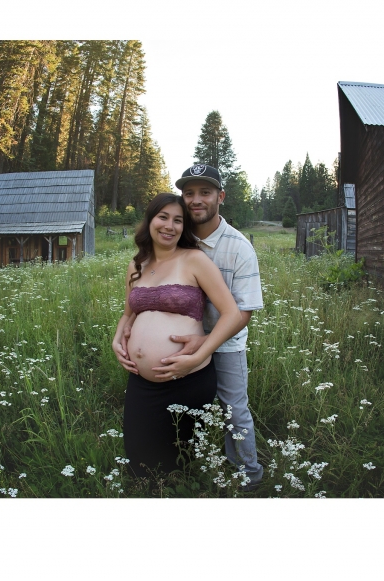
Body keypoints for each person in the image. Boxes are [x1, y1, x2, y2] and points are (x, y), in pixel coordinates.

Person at [115, 165, 264, 489]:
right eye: (190, 193)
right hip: (173, 358)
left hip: (223, 343)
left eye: (205, 192)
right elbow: (132, 306)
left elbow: (241, 312)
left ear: (220, 197)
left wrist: (202, 349)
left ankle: (247, 476)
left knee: (233, 410)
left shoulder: (237, 247)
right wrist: (122, 334)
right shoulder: (171, 244)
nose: (196, 200)